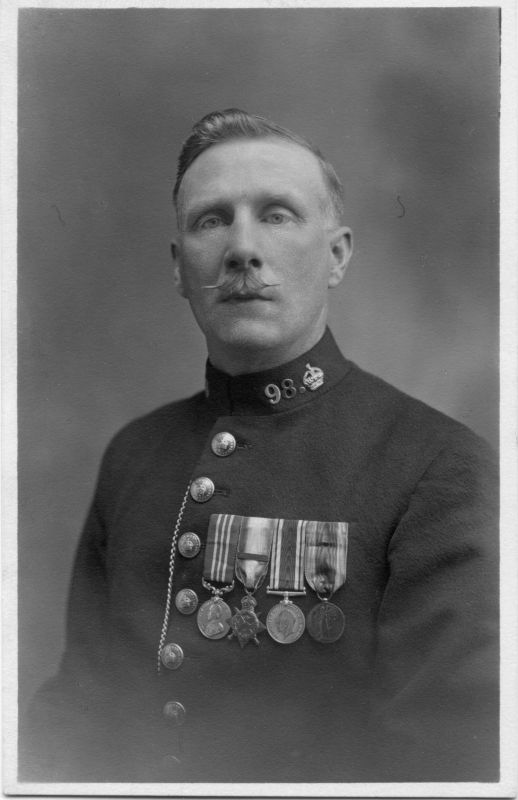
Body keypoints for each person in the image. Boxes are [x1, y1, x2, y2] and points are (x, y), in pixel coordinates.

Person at [22, 108, 499, 784]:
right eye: (211, 220)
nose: (242, 248)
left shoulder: (441, 469)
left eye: (277, 215)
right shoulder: (134, 455)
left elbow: (443, 765)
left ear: (336, 255)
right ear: (180, 267)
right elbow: (75, 717)